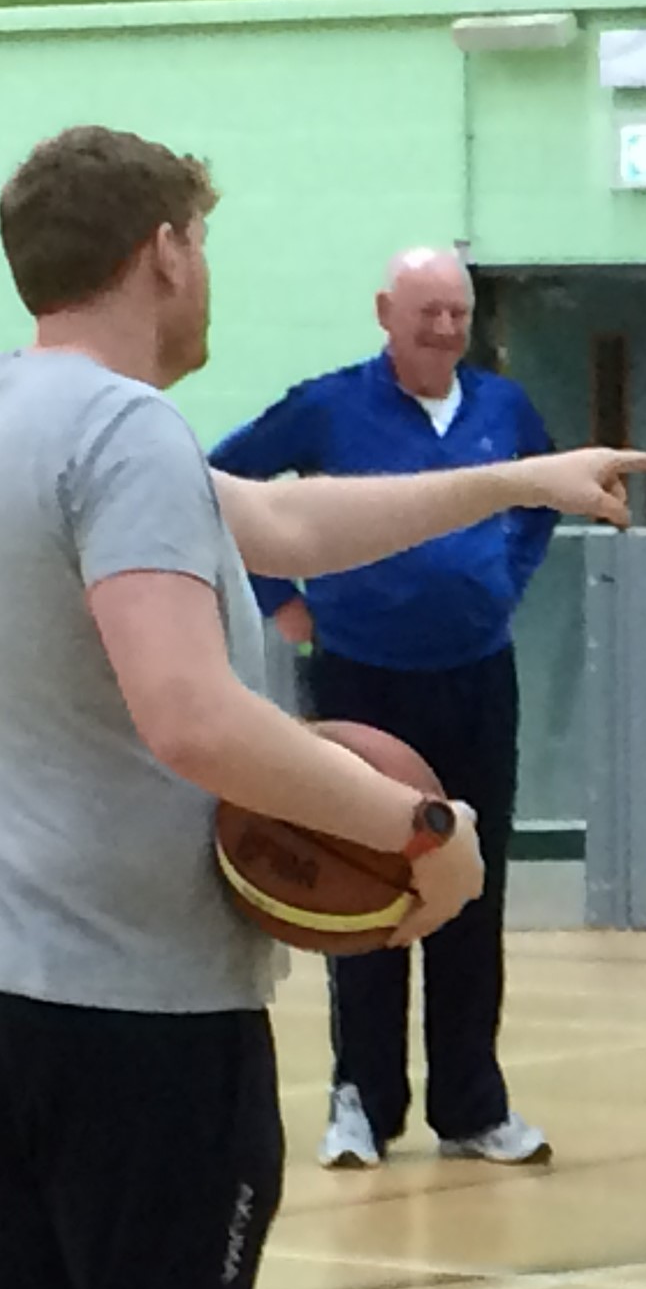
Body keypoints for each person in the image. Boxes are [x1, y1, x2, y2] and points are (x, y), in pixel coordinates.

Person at [0, 124, 646, 1289]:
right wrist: (416, 836)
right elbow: (191, 714)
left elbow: (291, 520)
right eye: (202, 240)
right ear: (162, 249)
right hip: (141, 1008)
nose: (205, 271)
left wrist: (515, 476)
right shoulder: (121, 435)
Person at [210, 246, 561, 1172]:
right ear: (385, 312)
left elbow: (540, 500)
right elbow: (220, 485)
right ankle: (361, 1102)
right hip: (363, 683)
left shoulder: (503, 409)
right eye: (427, 311)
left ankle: (473, 1106)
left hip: (478, 678)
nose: (445, 328)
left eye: (458, 311)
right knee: (361, 884)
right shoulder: (327, 405)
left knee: (469, 888)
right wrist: (277, 594)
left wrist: (501, 579)